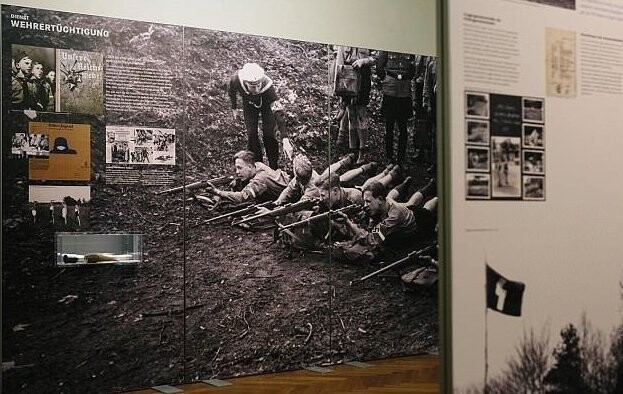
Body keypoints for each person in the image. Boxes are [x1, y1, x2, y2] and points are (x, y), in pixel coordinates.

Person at [332, 180, 437, 262]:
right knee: (414, 204)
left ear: (380, 199)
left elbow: (372, 240)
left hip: (420, 224)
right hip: (407, 215)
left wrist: (348, 222)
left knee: (426, 209)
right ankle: (430, 189)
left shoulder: (393, 216)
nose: (365, 205)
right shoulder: (381, 205)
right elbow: (370, 229)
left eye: (368, 201)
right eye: (364, 201)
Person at [228, 63, 282, 170]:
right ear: (245, 83)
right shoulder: (235, 80)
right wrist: (234, 108)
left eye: (258, 85)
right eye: (253, 86)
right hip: (249, 105)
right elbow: (231, 91)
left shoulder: (267, 85)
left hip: (266, 105)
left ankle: (273, 166)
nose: (257, 90)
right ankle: (257, 165)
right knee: (252, 134)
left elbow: (278, 111)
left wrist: (284, 137)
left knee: (269, 135)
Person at [334, 46, 376, 164]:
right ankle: (352, 151)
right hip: (347, 78)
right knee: (351, 115)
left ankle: (362, 152)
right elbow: (339, 66)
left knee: (361, 115)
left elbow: (375, 59)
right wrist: (338, 89)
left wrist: (364, 61)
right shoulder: (343, 43)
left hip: (363, 79)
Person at [205, 150, 289, 204]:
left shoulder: (261, 178)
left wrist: (218, 192)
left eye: (240, 168)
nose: (237, 172)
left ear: (249, 166)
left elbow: (242, 198)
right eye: (236, 168)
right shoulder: (257, 165)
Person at [376, 51, 416, 165]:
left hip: (404, 93)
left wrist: (404, 77)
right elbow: (379, 67)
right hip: (390, 92)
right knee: (389, 127)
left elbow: (412, 71)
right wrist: (386, 79)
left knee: (403, 129)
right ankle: (389, 156)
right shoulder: (386, 48)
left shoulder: (410, 49)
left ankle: (401, 158)